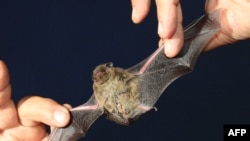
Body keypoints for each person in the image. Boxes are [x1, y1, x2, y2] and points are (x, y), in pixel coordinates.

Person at [0, 0, 250, 140]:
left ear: (111, 69)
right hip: (120, 110)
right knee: (66, 120)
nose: (100, 76)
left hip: (136, 100)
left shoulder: (131, 74)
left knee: (169, 52)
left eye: (103, 72)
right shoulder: (94, 102)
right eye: (97, 76)